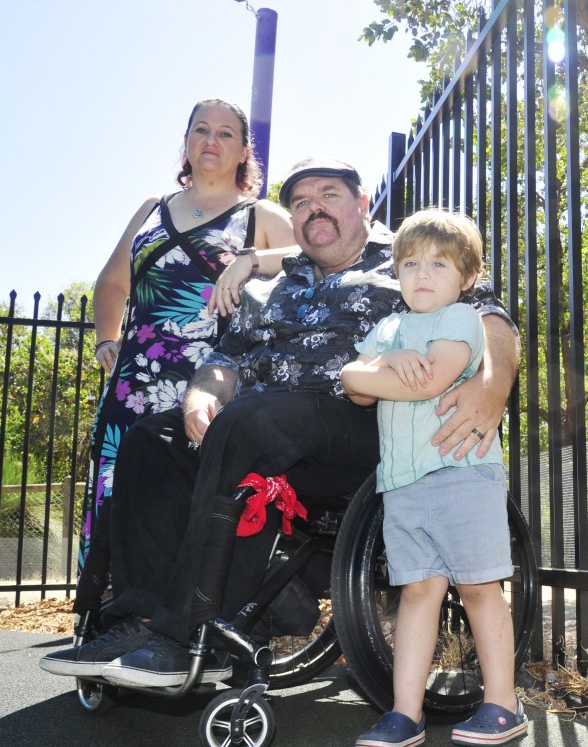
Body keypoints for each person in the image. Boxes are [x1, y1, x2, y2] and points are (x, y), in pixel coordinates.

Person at [41, 158, 518, 686]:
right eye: (300, 201)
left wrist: (490, 391)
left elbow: (489, 315)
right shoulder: (271, 287)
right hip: (260, 427)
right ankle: (142, 618)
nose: (315, 206)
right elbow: (225, 360)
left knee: (253, 421)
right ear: (291, 222)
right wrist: (202, 396)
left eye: (330, 194)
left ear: (362, 205)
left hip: (359, 421)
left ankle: (188, 633)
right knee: (154, 437)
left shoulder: (406, 260)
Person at [77, 97, 296, 616]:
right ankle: (104, 611)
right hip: (132, 381)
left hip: (208, 379)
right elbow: (112, 282)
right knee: (114, 489)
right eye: (201, 130)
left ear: (244, 150)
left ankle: (170, 618)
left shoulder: (259, 216)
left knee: (181, 495)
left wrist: (252, 259)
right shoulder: (152, 208)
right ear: (186, 142)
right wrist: (107, 339)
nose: (211, 141)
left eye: (225, 133)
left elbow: (314, 253)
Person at [342, 209, 527, 747]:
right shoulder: (387, 329)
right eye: (410, 263)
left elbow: (435, 379)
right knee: (418, 592)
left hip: (462, 473)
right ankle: (404, 713)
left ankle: (503, 703)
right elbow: (352, 383)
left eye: (439, 264)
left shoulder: (462, 319)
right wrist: (390, 360)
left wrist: (379, 373)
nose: (422, 274)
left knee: (477, 587)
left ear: (467, 277)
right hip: (402, 482)